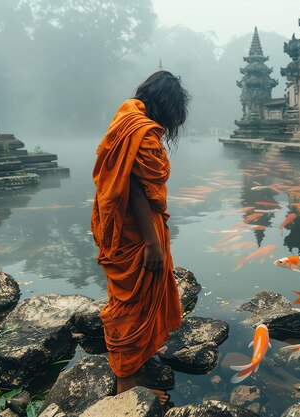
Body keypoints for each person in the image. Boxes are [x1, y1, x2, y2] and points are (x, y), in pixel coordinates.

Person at [91, 71, 189, 404]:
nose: (175, 120)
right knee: (131, 302)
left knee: (142, 297)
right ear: (167, 105)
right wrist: (152, 243)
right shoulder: (142, 133)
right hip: (137, 235)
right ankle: (125, 385)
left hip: (129, 229)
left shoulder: (127, 119)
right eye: (176, 111)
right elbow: (134, 188)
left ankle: (141, 353)